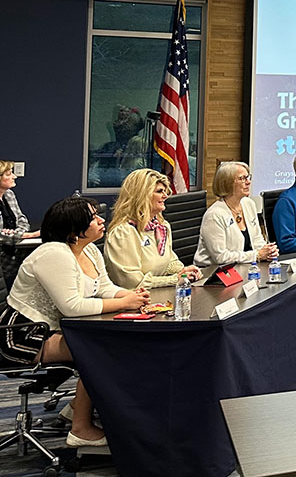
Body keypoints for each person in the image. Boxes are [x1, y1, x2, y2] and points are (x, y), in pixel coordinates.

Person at [0, 196, 150, 447]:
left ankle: (76, 407)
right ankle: (80, 427)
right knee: (100, 351)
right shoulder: (54, 254)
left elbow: (104, 287)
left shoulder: (89, 249)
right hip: (22, 335)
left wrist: (133, 296)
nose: (102, 220)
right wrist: (125, 304)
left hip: (52, 329)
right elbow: (73, 307)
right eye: (93, 218)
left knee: (107, 345)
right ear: (73, 229)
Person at [104, 168, 201, 289]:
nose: (165, 196)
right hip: (133, 301)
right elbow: (133, 282)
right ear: (142, 195)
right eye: (159, 191)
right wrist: (175, 279)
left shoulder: (162, 226)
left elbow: (169, 261)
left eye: (165, 191)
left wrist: (185, 271)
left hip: (159, 295)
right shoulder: (123, 232)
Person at [195, 161, 277, 266]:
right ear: (227, 183)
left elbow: (257, 239)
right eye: (242, 179)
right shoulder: (214, 215)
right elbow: (220, 257)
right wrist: (256, 255)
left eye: (248, 177)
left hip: (243, 267)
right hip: (213, 273)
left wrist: (268, 252)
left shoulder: (249, 204)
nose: (248, 182)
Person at [0, 160, 38, 291]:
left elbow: (22, 219)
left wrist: (17, 233)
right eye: (9, 174)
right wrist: (26, 235)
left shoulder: (9, 194)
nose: (14, 176)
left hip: (16, 250)